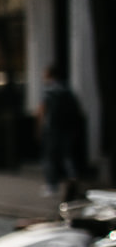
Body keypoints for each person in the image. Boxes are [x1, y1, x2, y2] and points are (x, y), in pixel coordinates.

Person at [39, 64, 86, 200]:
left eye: (45, 74)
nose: (43, 77)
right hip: (67, 129)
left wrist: (39, 128)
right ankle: (73, 180)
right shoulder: (67, 90)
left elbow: (42, 110)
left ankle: (51, 185)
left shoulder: (49, 90)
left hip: (53, 129)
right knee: (68, 156)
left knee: (50, 157)